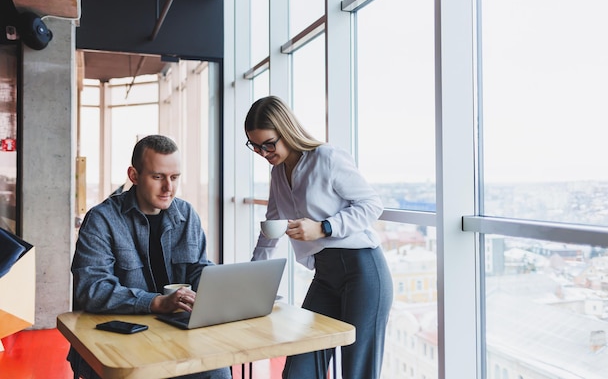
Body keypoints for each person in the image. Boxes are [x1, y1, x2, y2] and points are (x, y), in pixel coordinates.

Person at [244, 96, 393, 379]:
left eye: (268, 144)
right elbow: (270, 230)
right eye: (255, 146)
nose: (263, 152)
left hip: (363, 272)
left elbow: (372, 205)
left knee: (357, 372)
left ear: (286, 130)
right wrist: (252, 282)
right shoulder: (277, 174)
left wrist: (324, 227)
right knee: (299, 370)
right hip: (325, 276)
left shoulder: (327, 158)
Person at [67, 134, 231, 379]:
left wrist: (219, 288)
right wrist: (156, 302)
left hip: (177, 334)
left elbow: (198, 269)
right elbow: (92, 289)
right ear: (134, 176)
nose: (169, 188)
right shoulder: (101, 220)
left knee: (218, 372)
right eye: (158, 177)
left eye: (175, 178)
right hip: (121, 340)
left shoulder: (187, 215)